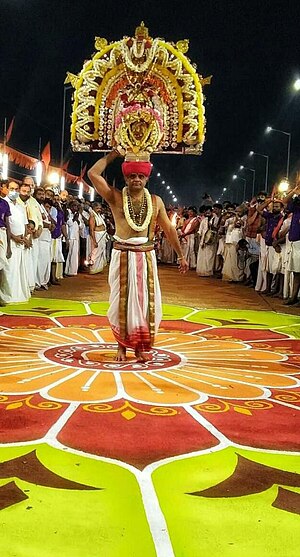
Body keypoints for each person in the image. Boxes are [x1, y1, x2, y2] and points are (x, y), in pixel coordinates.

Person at [88, 151, 188, 362]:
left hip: (146, 256)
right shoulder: (115, 197)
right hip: (122, 255)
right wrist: (114, 153)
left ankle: (141, 347)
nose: (136, 180)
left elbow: (169, 229)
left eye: (140, 176)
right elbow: (93, 173)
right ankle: (122, 347)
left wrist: (181, 255)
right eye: (132, 176)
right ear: (126, 178)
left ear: (147, 178)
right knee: (121, 303)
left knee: (145, 305)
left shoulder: (155, 201)